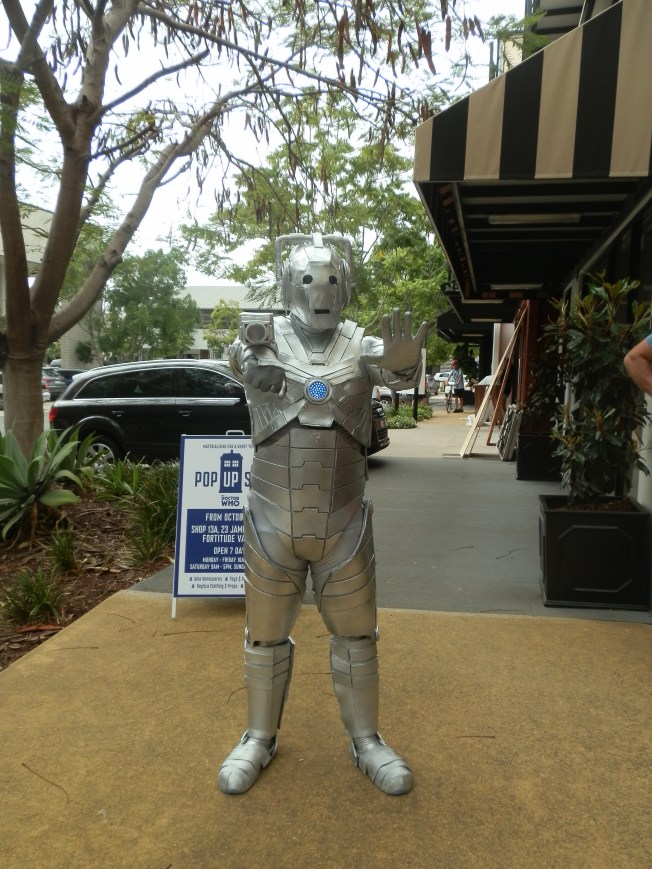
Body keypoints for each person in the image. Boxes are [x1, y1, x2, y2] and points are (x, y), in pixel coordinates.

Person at [218, 232, 427, 797]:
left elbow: (399, 373)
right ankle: (258, 736)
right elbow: (238, 358)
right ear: (291, 284)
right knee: (263, 639)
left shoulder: (360, 343)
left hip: (343, 524)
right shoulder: (264, 339)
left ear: (345, 286)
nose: (321, 292)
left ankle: (367, 741)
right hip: (270, 522)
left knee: (359, 638)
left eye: (332, 280)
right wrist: (248, 365)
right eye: (310, 280)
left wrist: (408, 367)